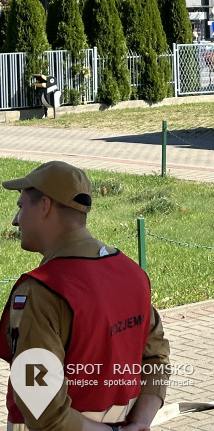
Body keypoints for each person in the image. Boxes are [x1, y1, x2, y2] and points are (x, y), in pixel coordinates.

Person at [1, 161, 171, 431]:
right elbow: (156, 358)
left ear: (45, 206)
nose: (15, 219)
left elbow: (41, 406)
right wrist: (139, 422)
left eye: (21, 206)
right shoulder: (132, 274)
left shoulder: (41, 291)